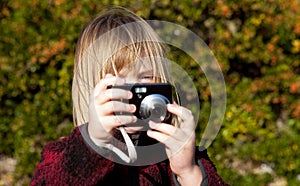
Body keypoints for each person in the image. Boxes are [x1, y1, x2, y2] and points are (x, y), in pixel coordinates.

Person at [30, 6, 228, 186]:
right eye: (119, 81)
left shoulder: (180, 156)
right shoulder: (64, 156)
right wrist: (94, 143)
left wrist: (189, 173)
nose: (134, 91)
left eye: (147, 77)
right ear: (91, 89)